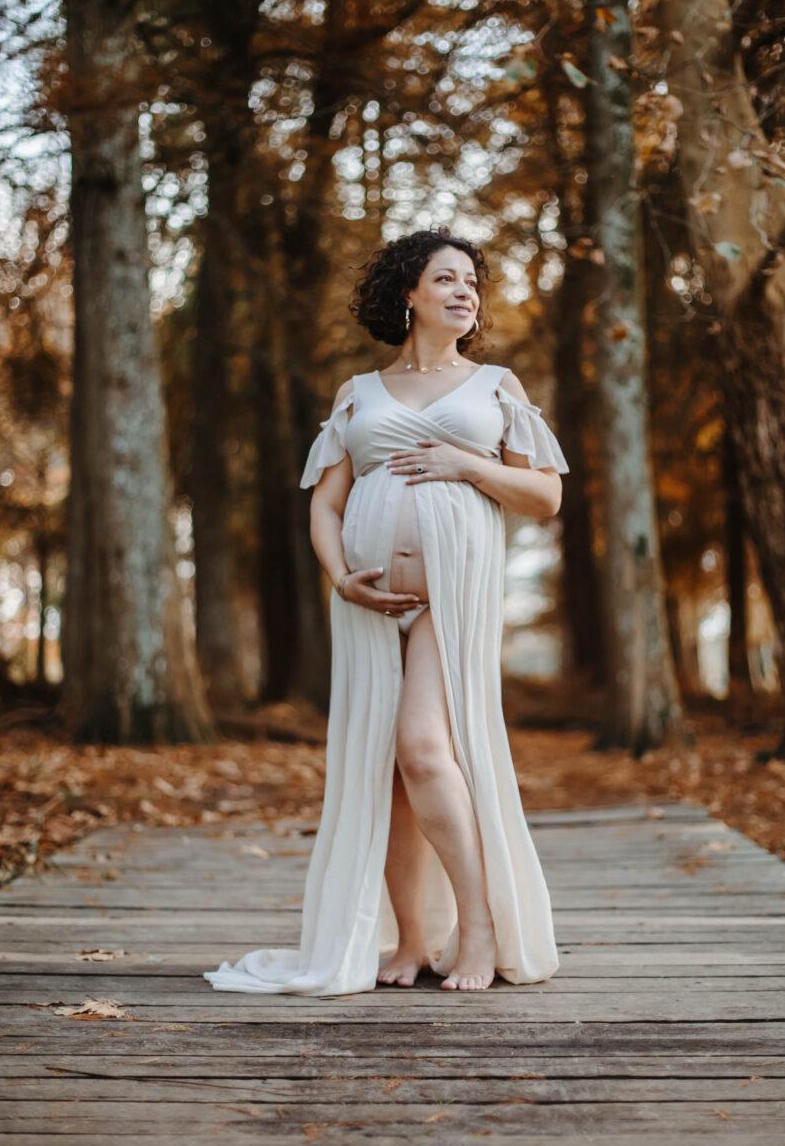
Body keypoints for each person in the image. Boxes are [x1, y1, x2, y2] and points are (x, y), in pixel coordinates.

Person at [204, 228, 569, 997]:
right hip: (369, 604)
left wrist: (465, 464)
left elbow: (543, 497)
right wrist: (341, 578)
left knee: (425, 748)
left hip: (453, 598)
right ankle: (409, 941)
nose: (464, 291)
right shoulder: (357, 395)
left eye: (472, 281)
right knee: (391, 774)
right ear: (408, 293)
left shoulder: (494, 385)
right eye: (446, 278)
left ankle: (476, 928)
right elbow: (326, 505)